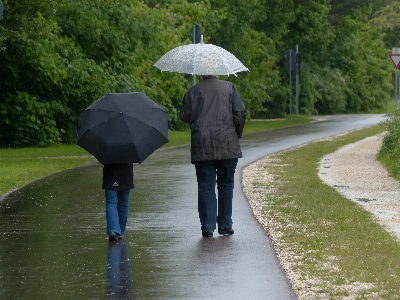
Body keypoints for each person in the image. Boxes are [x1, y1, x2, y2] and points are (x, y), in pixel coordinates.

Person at [179, 75, 246, 237]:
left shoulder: (192, 92)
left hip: (202, 146)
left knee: (205, 186)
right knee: (226, 184)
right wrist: (237, 133)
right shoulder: (229, 87)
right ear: (218, 71)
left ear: (202, 73)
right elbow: (240, 112)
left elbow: (184, 116)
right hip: (227, 144)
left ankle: (208, 227)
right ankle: (225, 225)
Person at [102, 163, 134, 242]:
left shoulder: (108, 150)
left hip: (110, 174)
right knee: (123, 203)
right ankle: (120, 232)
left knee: (111, 202)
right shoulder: (129, 150)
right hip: (126, 174)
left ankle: (113, 230)